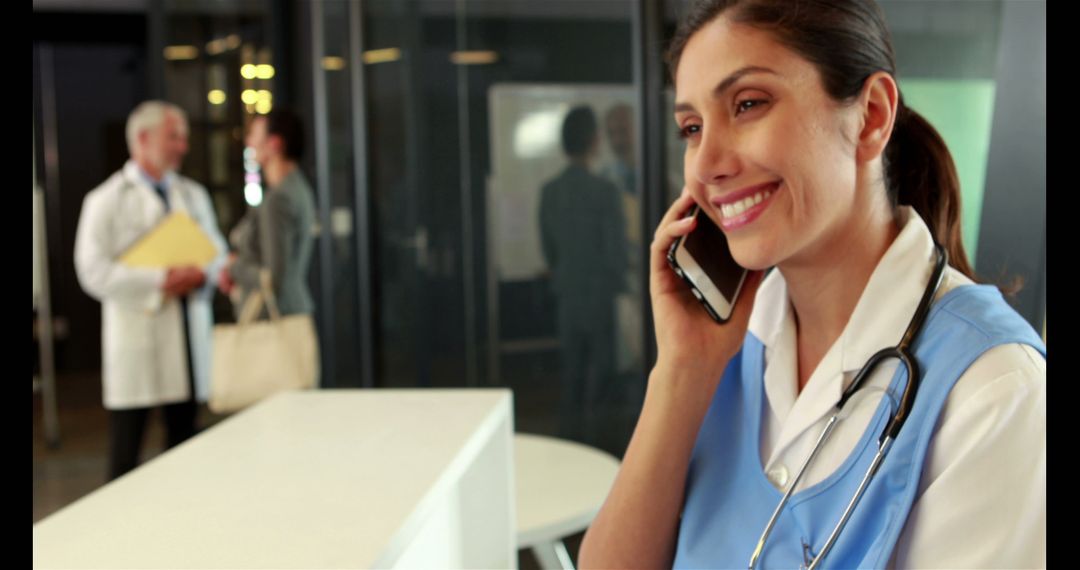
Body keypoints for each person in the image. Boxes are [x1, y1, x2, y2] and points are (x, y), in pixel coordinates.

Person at [578, 1, 1045, 568]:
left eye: (748, 104)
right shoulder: (726, 343)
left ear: (871, 116)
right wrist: (683, 368)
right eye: (692, 129)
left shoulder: (994, 391)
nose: (707, 165)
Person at [74, 101, 227, 480]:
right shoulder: (105, 200)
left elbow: (217, 253)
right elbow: (92, 269)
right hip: (137, 338)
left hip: (187, 337)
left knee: (187, 447)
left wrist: (200, 274)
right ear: (143, 139)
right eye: (174, 137)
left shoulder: (191, 195)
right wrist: (160, 281)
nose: (183, 146)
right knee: (126, 456)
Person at [539, 105, 628, 447]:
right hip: (602, 296)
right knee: (604, 382)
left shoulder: (550, 192)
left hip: (568, 296)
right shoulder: (605, 192)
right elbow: (616, 253)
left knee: (572, 379)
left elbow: (549, 251)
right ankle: (603, 448)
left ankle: (569, 447)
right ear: (594, 140)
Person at [219, 108, 316, 321]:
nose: (249, 142)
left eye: (254, 135)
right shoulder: (295, 188)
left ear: (275, 143)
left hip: (274, 319)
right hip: (290, 312)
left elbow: (272, 278)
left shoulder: (278, 199)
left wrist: (233, 266)